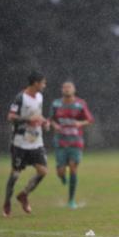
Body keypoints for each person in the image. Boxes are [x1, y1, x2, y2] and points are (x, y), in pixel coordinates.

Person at [3, 71, 49, 217]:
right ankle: (7, 202)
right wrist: (27, 120)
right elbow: (10, 117)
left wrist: (44, 122)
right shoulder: (20, 97)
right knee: (15, 174)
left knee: (43, 171)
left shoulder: (40, 96)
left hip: (36, 141)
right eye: (43, 83)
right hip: (20, 143)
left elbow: (38, 114)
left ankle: (23, 195)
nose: (44, 85)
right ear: (36, 83)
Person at [49, 81, 95, 209]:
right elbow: (51, 119)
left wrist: (80, 124)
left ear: (74, 90)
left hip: (76, 141)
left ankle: (71, 200)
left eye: (69, 87)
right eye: (64, 87)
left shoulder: (80, 104)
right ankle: (62, 177)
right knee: (60, 171)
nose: (67, 89)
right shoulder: (56, 104)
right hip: (61, 142)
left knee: (73, 167)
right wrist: (55, 125)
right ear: (61, 90)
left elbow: (90, 119)